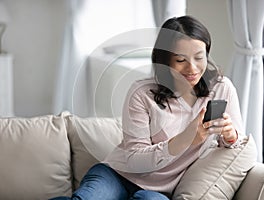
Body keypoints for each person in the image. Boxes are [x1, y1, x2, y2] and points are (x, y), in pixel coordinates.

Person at [51, 15, 248, 200]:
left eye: (199, 57)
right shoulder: (141, 93)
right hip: (119, 175)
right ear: (165, 61)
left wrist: (231, 136)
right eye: (181, 60)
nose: (192, 68)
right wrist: (185, 139)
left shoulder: (221, 88)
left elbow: (236, 144)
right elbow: (135, 160)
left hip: (162, 190)